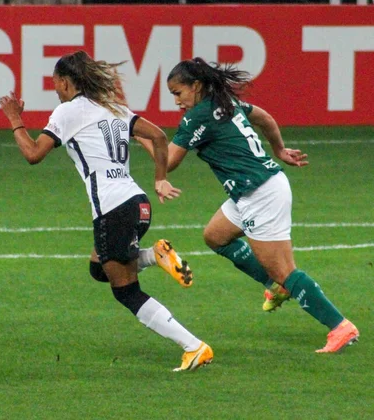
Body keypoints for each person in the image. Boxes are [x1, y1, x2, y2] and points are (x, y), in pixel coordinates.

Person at [0, 50, 212, 371]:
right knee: (99, 268)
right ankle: (155, 255)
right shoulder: (114, 108)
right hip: (138, 203)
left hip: (113, 209)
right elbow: (158, 135)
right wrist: (160, 178)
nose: (55, 90)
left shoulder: (67, 112)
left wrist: (15, 119)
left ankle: (193, 346)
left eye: (56, 84)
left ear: (67, 82)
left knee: (126, 292)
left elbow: (32, 154)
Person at [138, 57, 359, 353]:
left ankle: (339, 326)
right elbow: (264, 117)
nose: (176, 101)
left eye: (178, 93)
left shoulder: (198, 116)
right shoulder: (225, 102)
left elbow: (171, 160)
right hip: (250, 191)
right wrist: (278, 148)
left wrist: (139, 133)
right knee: (215, 236)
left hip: (260, 193)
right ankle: (276, 285)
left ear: (197, 86)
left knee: (285, 270)